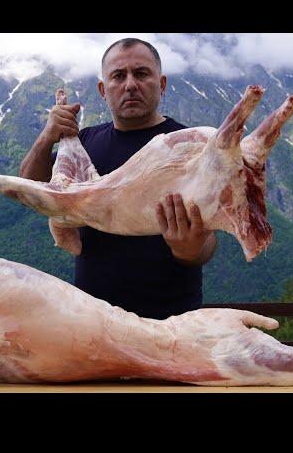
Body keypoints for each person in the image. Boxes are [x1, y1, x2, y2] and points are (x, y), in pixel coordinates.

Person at [19, 38, 217, 320]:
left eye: (141, 73)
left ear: (161, 84)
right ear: (103, 89)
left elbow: (207, 242)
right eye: (118, 76)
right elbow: (33, 187)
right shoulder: (83, 142)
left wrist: (189, 249)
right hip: (95, 321)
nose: (130, 84)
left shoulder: (190, 146)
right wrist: (47, 136)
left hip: (171, 324)